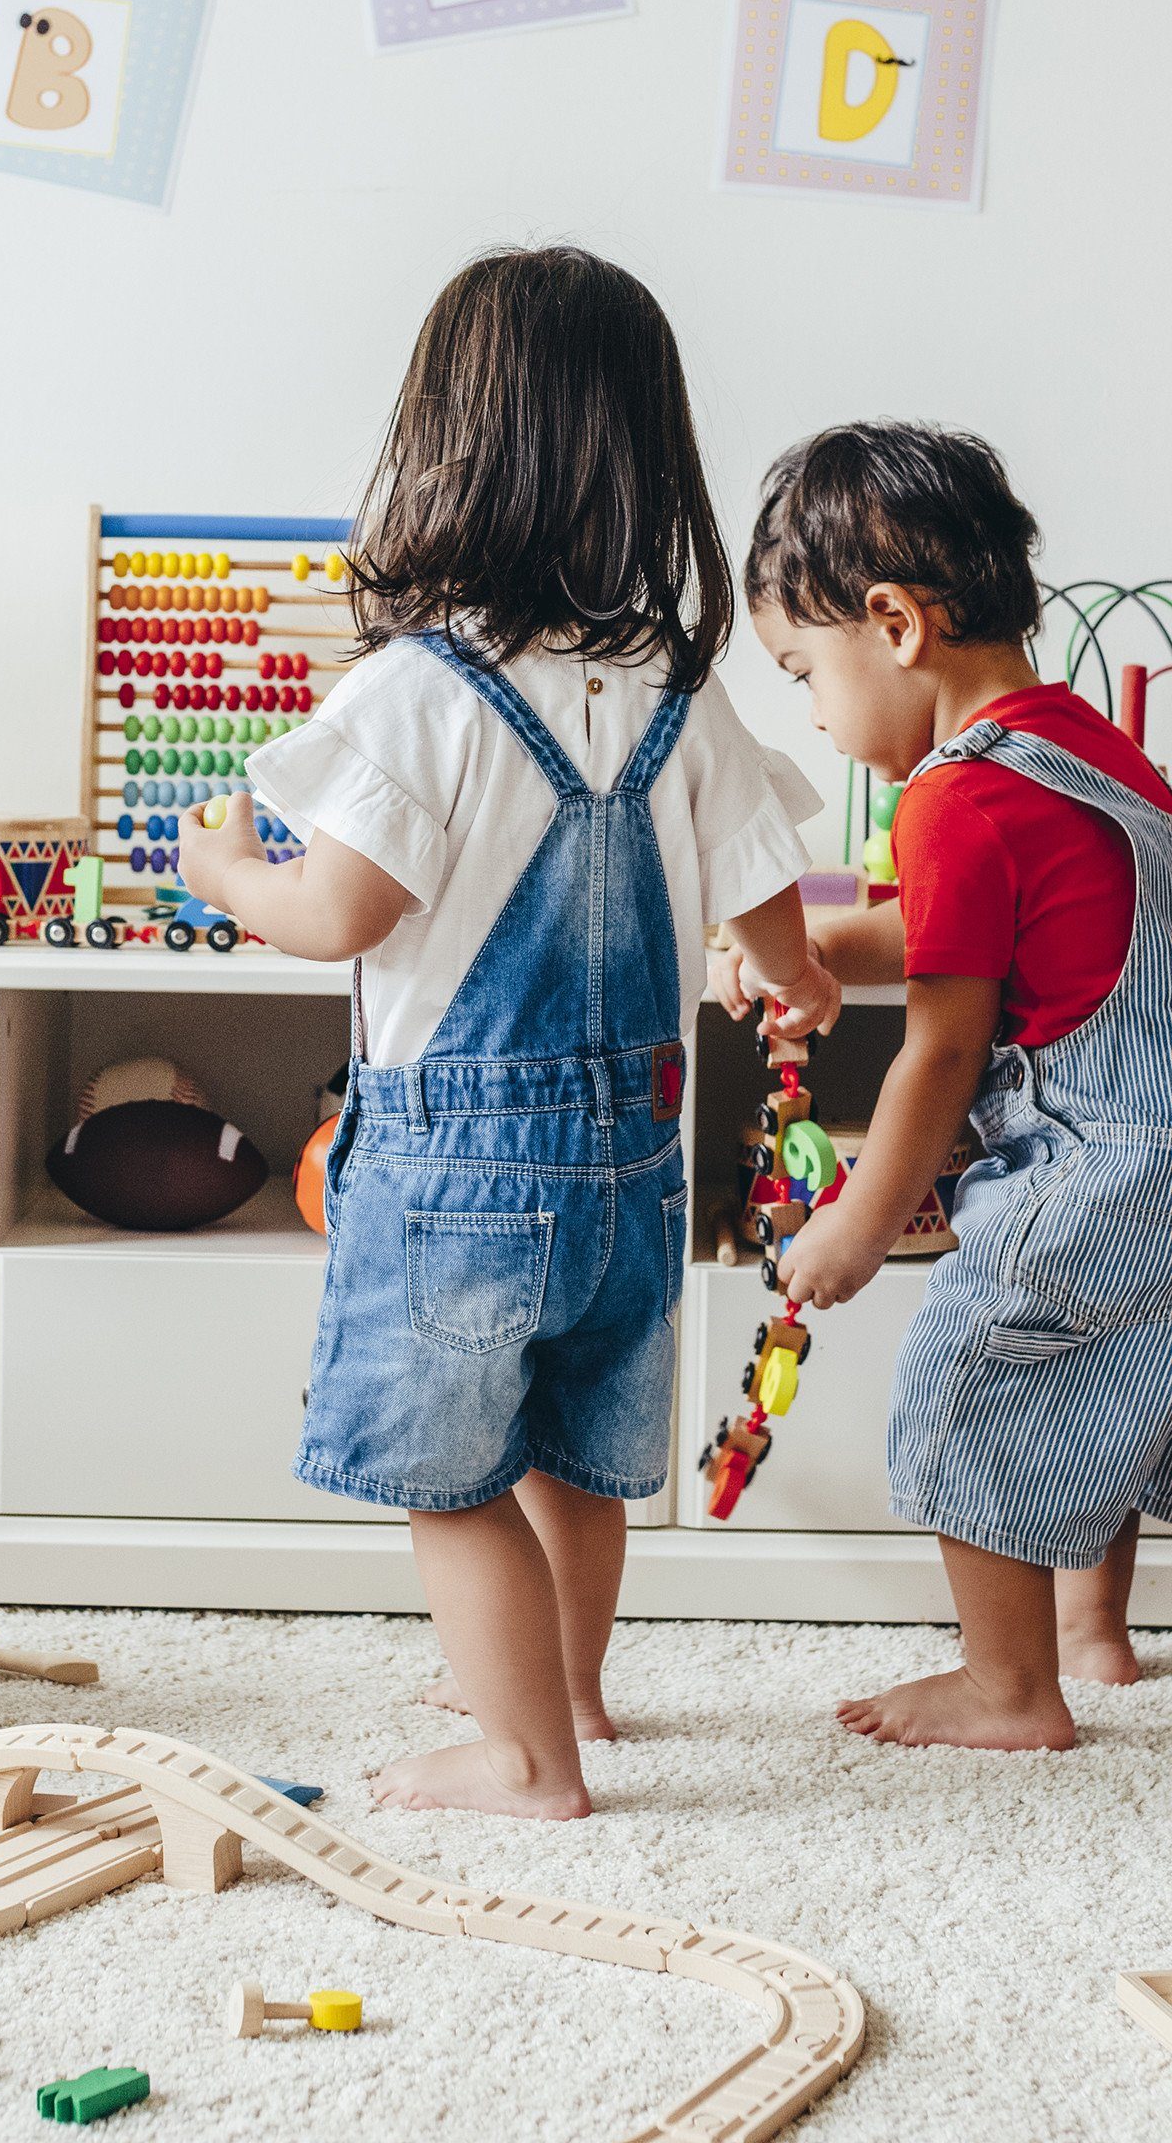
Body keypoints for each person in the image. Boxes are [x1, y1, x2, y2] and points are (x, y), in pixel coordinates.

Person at [180, 245, 835, 1818]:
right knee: (574, 1455)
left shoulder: (420, 690)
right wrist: (789, 980)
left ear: (450, 452)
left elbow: (342, 911)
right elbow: (773, 913)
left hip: (459, 1170)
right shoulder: (679, 688)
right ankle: (573, 1694)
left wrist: (227, 875)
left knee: (454, 1479)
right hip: (635, 1162)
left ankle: (525, 1759)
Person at [735, 421, 1170, 1748]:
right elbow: (968, 925)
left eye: (806, 674)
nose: (815, 714)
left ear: (894, 625)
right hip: (1160, 1156)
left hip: (1097, 1164)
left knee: (975, 1379)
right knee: (1102, 1391)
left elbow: (942, 1043)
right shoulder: (1090, 750)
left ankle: (1008, 1687)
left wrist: (858, 1222)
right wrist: (817, 951)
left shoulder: (953, 798)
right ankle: (1092, 1635)